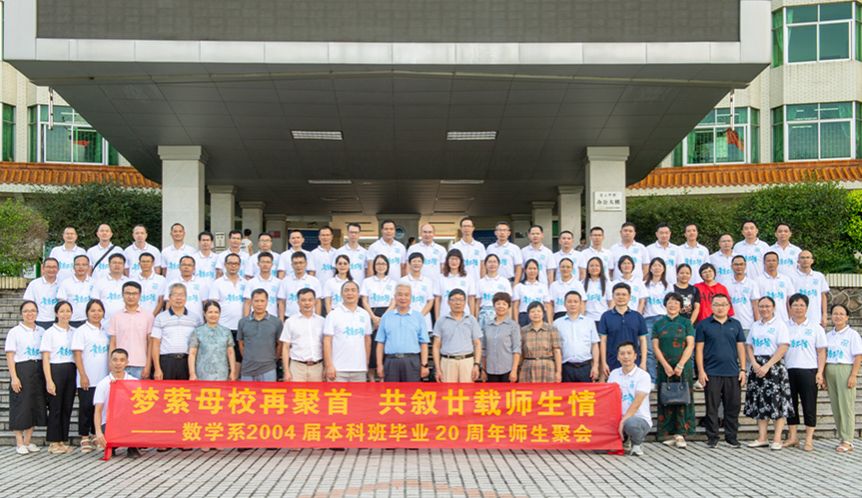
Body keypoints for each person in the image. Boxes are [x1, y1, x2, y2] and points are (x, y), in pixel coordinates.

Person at [695, 293, 746, 448]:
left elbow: (740, 348)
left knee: (733, 406)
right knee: (712, 407)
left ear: (729, 306)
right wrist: (701, 371)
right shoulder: (703, 325)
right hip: (711, 372)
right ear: (711, 306)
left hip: (732, 372)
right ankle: (712, 437)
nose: (720, 308)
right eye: (716, 304)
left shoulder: (735, 324)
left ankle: (732, 437)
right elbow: (699, 350)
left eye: (723, 304)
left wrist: (743, 369)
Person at [744, 296, 792, 450]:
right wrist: (754, 363)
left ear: (773, 308)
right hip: (757, 366)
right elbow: (749, 345)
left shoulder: (780, 325)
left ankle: (777, 439)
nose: (764, 309)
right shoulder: (755, 325)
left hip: (774, 366)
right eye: (761, 306)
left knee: (777, 402)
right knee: (760, 401)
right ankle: (762, 437)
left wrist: (767, 366)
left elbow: (783, 347)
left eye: (767, 306)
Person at [784, 293, 827, 452]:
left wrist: (820, 372)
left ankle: (809, 439)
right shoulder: (784, 326)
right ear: (790, 307)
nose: (798, 308)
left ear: (807, 307)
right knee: (791, 405)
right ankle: (793, 437)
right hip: (788, 369)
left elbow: (821, 352)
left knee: (809, 405)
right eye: (795, 305)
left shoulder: (815, 327)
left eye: (801, 305)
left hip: (809, 370)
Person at [652, 293, 695, 447]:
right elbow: (655, 347)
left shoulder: (686, 323)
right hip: (665, 367)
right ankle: (668, 433)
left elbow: (690, 344)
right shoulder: (658, 324)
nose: (672, 305)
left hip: (683, 367)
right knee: (666, 398)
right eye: (670, 302)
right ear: (665, 304)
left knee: (683, 398)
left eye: (676, 303)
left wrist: (681, 364)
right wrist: (665, 365)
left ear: (681, 306)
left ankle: (681, 434)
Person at [5, 301, 47, 455]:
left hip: (38, 369)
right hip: (22, 369)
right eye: (26, 311)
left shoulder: (42, 331)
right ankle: (19, 442)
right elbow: (10, 355)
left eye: (33, 311)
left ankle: (28, 441)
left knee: (34, 404)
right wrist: (14, 377)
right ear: (21, 313)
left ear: (37, 313)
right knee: (20, 405)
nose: (30, 314)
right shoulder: (15, 332)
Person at [71, 299, 109, 453]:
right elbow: (77, 354)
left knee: (99, 408)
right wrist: (82, 375)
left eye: (99, 310)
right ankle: (84, 436)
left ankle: (95, 434)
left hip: (103, 377)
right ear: (87, 313)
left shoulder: (106, 330)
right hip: (87, 377)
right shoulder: (81, 331)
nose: (96, 313)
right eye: (93, 310)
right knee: (86, 407)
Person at [824, 304, 862, 453]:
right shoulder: (828, 335)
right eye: (835, 313)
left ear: (847, 317)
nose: (838, 316)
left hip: (845, 369)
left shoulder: (852, 335)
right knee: (836, 406)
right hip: (830, 369)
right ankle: (842, 437)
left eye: (841, 314)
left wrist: (853, 375)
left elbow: (858, 356)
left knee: (846, 405)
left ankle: (848, 440)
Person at [40, 301, 76, 454]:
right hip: (55, 369)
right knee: (55, 407)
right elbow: (46, 358)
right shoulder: (49, 332)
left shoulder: (74, 332)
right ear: (56, 313)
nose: (65, 314)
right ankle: (54, 442)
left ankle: (62, 441)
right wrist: (49, 380)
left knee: (67, 407)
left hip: (71, 369)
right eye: (62, 311)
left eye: (68, 311)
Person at [375, 284, 430, 382]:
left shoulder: (418, 317)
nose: (403, 298)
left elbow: (424, 343)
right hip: (391, 361)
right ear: (395, 297)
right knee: (391, 391)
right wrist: (379, 365)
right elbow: (380, 343)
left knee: (411, 391)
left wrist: (424, 364)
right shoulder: (386, 317)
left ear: (411, 297)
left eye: (406, 295)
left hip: (412, 361)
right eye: (400, 294)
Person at [93, 348, 141, 459]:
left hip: (129, 421)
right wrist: (98, 432)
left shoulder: (134, 382)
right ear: (110, 362)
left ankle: (132, 448)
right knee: (107, 434)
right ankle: (111, 447)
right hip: (109, 423)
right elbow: (98, 411)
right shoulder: (103, 384)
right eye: (115, 360)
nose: (118, 363)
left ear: (127, 363)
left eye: (122, 360)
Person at [608, 342, 652, 457]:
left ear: (635, 356)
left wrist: (623, 421)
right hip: (618, 417)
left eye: (629, 353)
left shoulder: (643, 376)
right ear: (618, 357)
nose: (626, 356)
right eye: (622, 354)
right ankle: (624, 440)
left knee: (631, 423)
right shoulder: (614, 374)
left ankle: (637, 444)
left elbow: (637, 402)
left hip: (638, 419)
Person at [323, 281, 373, 382]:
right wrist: (329, 365)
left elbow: (367, 340)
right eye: (346, 290)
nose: (350, 293)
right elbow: (327, 341)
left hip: (359, 369)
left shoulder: (364, 314)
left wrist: (366, 362)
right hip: (338, 369)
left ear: (358, 294)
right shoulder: (333, 314)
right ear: (341, 294)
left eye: (353, 290)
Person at [152, 283, 202, 381]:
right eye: (175, 294)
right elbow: (155, 344)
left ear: (186, 298)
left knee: (187, 390)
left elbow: (199, 344)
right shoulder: (160, 317)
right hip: (166, 361)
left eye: (182, 295)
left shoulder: (195, 318)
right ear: (169, 298)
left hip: (187, 361)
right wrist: (157, 369)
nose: (179, 298)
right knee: (166, 390)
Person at [598, 283, 648, 380]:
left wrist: (643, 362)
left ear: (629, 297)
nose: (621, 297)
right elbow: (603, 341)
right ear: (613, 296)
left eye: (624, 294)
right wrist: (603, 363)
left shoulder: (637, 316)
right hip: (612, 361)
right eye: (617, 294)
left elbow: (643, 340)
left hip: (633, 361)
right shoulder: (606, 316)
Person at [432, 289, 483, 383]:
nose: (458, 303)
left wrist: (476, 364)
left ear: (465, 302)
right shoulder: (441, 320)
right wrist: (438, 369)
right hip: (448, 362)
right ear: (448, 302)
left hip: (467, 361)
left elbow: (477, 344)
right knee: (448, 391)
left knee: (467, 391)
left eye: (461, 300)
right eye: (454, 300)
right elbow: (436, 346)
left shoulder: (471, 319)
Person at [107, 281, 154, 379]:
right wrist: (111, 364)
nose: (131, 296)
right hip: (120, 365)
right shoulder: (115, 316)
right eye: (128, 293)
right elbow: (112, 342)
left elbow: (150, 343)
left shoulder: (148, 315)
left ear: (139, 295)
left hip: (141, 365)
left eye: (134, 293)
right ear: (122, 295)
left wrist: (148, 365)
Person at [361, 255, 397, 380]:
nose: (380, 266)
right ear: (374, 266)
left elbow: (394, 301)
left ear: (387, 266)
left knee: (385, 344)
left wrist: (383, 318)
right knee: (372, 346)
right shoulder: (367, 282)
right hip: (371, 314)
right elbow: (364, 300)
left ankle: (383, 378)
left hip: (388, 314)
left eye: (383, 264)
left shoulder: (393, 282)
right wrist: (373, 317)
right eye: (378, 264)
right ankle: (371, 378)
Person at [237, 289, 283, 381]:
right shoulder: (243, 322)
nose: (259, 304)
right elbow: (241, 344)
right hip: (247, 369)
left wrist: (274, 359)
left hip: (268, 368)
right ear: (251, 302)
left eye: (262, 301)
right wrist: (248, 359)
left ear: (267, 302)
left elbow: (280, 344)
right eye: (256, 301)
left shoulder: (276, 322)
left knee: (268, 390)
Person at [280, 288, 325, 382]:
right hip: (297, 367)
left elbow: (326, 345)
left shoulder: (322, 321)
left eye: (310, 300)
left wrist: (326, 367)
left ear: (315, 301)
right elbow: (285, 348)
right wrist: (286, 371)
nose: (307, 303)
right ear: (298, 302)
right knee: (296, 391)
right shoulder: (290, 322)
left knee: (317, 392)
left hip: (317, 367)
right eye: (303, 300)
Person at [554, 291, 599, 382]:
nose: (572, 304)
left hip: (585, 367)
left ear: (581, 304)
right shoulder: (557, 323)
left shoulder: (589, 322)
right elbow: (556, 349)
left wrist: (595, 366)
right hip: (566, 367)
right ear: (564, 304)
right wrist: (558, 371)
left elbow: (594, 345)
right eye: (569, 301)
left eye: (575, 301)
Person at [188, 300, 237, 381]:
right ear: (204, 314)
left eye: (216, 312)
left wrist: (233, 371)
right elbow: (192, 353)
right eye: (210, 312)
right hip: (202, 375)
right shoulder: (197, 332)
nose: (213, 315)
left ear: (220, 314)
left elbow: (230, 352)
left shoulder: (226, 332)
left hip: (222, 374)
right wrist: (192, 373)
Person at [641, 257, 670, 383]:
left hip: (664, 320)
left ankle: (666, 379)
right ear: (650, 268)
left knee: (665, 350)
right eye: (654, 265)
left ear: (664, 269)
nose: (657, 268)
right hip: (648, 319)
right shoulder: (643, 284)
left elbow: (671, 304)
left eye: (660, 265)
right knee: (650, 351)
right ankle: (653, 380)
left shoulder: (668, 285)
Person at [481, 293, 521, 383]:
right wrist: (483, 369)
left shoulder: (513, 325)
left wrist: (514, 370)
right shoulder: (487, 326)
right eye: (498, 303)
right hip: (490, 369)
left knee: (507, 392)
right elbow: (484, 349)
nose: (501, 306)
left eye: (504, 304)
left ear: (508, 307)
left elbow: (516, 349)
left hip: (508, 369)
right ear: (494, 306)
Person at [208, 253, 248, 342]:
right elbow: (213, 306)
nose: (233, 266)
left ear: (239, 265)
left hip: (241, 328)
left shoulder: (246, 283)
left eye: (236, 263)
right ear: (225, 265)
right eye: (230, 263)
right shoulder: (217, 283)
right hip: (222, 327)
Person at [519, 301, 562, 383]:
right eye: (532, 311)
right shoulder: (523, 331)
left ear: (543, 313)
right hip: (527, 368)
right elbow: (521, 353)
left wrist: (558, 372)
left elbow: (557, 351)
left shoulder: (552, 329)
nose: (536, 314)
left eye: (539, 311)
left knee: (547, 391)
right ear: (528, 314)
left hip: (547, 367)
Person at [400, 253, 439, 335]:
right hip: (406, 319)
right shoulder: (403, 281)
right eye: (414, 261)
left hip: (424, 320)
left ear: (422, 264)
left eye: (419, 261)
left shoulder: (428, 281)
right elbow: (399, 301)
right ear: (409, 263)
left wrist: (420, 316)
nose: (416, 263)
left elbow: (430, 301)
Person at [277, 251, 321, 319]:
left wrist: (317, 319)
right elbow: (282, 302)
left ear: (306, 264)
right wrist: (281, 320)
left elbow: (317, 302)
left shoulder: (314, 281)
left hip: (309, 318)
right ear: (292, 265)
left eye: (301, 263)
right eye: (295, 263)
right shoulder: (285, 281)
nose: (298, 265)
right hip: (289, 318)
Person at [792, 250, 830, 328]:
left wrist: (824, 315)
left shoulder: (819, 276)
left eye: (808, 257)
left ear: (812, 261)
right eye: (802, 258)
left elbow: (823, 296)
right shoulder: (791, 277)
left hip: (815, 318)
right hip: (797, 319)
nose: (805, 260)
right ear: (798, 261)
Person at [164, 255, 209, 320]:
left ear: (194, 268)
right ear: (179, 267)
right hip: (176, 321)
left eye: (189, 265)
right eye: (184, 265)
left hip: (197, 320)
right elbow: (168, 303)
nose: (186, 267)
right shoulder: (172, 283)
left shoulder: (202, 283)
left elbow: (205, 303)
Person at [437, 249, 477, 319]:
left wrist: (472, 317)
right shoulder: (441, 277)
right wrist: (437, 319)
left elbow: (471, 299)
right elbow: (437, 300)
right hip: (445, 315)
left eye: (456, 259)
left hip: (464, 316)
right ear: (447, 261)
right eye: (452, 259)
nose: (454, 262)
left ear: (461, 261)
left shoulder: (468, 277)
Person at [90, 253, 130, 323]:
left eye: (120, 263)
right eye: (114, 263)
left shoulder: (130, 283)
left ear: (124, 266)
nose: (117, 265)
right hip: (105, 322)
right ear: (109, 265)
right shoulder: (99, 282)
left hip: (127, 321)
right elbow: (95, 303)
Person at [475, 254, 513, 328]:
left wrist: (509, 320)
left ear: (498, 264)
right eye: (489, 262)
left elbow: (509, 303)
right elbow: (477, 304)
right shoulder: (480, 282)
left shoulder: (505, 281)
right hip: (484, 316)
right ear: (485, 265)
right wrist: (476, 320)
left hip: (501, 314)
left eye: (494, 262)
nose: (492, 264)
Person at [512, 259, 553, 327]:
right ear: (525, 270)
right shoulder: (519, 287)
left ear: (538, 270)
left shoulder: (543, 286)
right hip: (524, 317)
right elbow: (516, 307)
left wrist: (549, 323)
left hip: (540, 317)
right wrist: (516, 323)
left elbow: (548, 306)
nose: (532, 271)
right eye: (530, 268)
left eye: (534, 269)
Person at [756, 252, 794, 323]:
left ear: (778, 262)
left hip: (783, 320)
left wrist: (791, 318)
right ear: (764, 263)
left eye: (774, 260)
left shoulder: (786, 279)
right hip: (765, 320)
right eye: (768, 261)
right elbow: (756, 303)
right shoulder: (757, 280)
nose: (771, 263)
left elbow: (789, 301)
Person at [726, 256, 759, 335]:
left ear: (745, 265)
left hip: (747, 325)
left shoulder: (752, 284)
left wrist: (757, 324)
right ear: (731, 266)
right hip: (729, 324)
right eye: (736, 264)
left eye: (741, 264)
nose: (739, 267)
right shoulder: (726, 283)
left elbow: (755, 305)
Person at [23, 257, 60, 330]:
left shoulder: (63, 284)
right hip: (39, 321)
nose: (51, 269)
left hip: (58, 321)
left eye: (54, 267)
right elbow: (28, 304)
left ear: (58, 269)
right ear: (43, 268)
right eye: (48, 267)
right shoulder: (34, 284)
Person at [57, 254, 93, 328]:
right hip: (71, 322)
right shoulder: (65, 283)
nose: (81, 267)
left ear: (88, 267)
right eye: (77, 264)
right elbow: (61, 303)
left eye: (84, 265)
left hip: (89, 321)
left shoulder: (94, 282)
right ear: (73, 267)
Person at [244, 252, 282, 318]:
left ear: (272, 264)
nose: (265, 265)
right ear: (258, 264)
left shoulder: (278, 282)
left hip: (273, 318)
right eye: (263, 262)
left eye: (268, 262)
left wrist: (281, 320)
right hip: (255, 319)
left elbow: (280, 303)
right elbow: (247, 303)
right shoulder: (251, 282)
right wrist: (246, 320)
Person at [450, 216, 486, 287]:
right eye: (464, 226)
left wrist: (482, 282)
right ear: (461, 228)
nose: (466, 228)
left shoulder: (480, 246)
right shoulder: (455, 247)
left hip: (476, 283)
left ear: (473, 228)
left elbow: (483, 266)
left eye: (469, 226)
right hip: (459, 284)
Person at [132, 252, 167, 317]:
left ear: (153, 263)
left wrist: (152, 316)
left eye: (148, 261)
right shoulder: (133, 280)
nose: (145, 264)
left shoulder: (161, 280)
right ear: (139, 263)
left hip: (155, 317)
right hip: (136, 317)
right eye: (143, 261)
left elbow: (161, 302)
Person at [582, 256, 609, 325]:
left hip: (603, 319)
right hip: (587, 319)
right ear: (588, 268)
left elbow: (611, 302)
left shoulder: (607, 283)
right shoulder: (582, 283)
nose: (594, 268)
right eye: (591, 266)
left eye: (597, 266)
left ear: (601, 268)